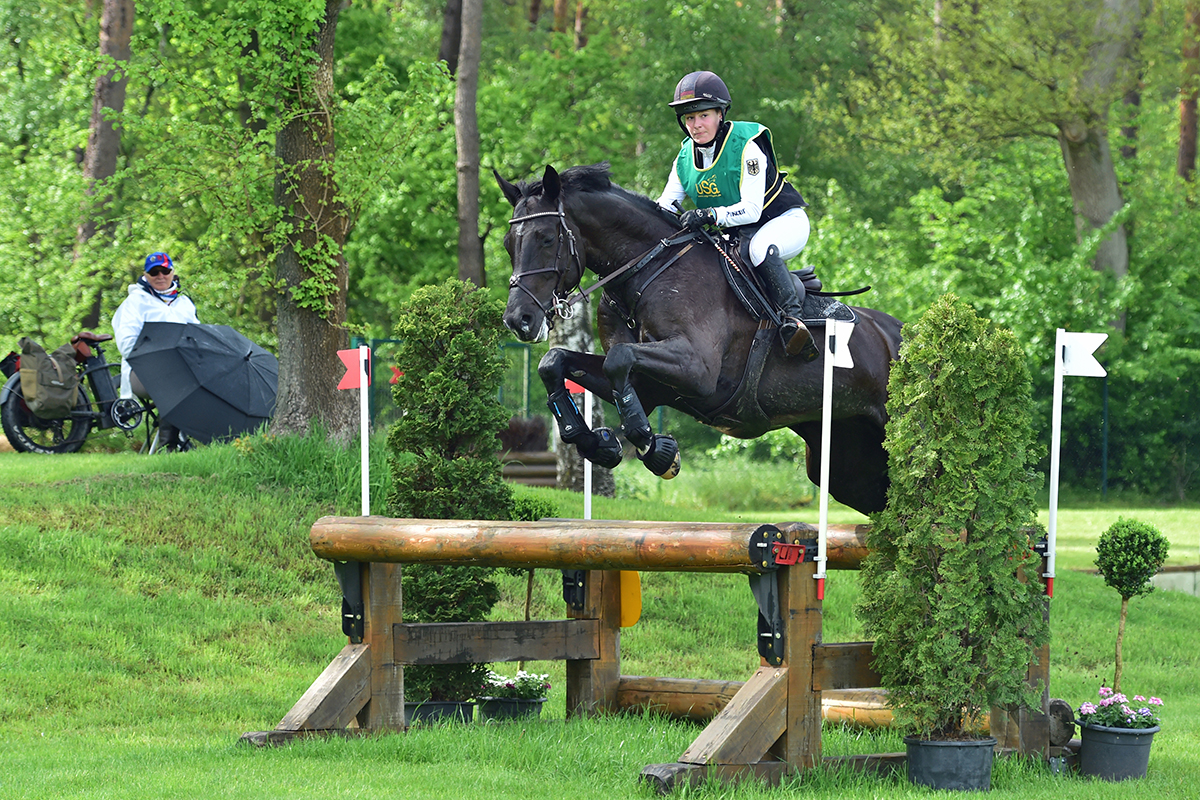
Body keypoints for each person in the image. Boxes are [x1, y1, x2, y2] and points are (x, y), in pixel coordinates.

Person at [656, 70, 813, 356]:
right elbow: (664, 205)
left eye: (703, 116)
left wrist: (707, 215)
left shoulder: (747, 147)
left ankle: (793, 321)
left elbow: (752, 211)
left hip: (782, 222)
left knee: (759, 249)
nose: (696, 125)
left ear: (720, 114)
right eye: (689, 118)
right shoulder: (684, 158)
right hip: (736, 233)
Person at [111, 252, 200, 450]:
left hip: (182, 370)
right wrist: (161, 354)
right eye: (154, 272)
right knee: (175, 385)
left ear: (173, 272)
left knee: (207, 381)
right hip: (142, 371)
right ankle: (169, 444)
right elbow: (126, 344)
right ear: (146, 275)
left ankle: (194, 440)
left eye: (165, 271)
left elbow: (198, 337)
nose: (160, 276)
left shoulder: (184, 303)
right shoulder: (135, 302)